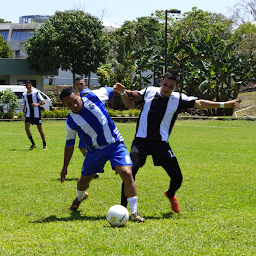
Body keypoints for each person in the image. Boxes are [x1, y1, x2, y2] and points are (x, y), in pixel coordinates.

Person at [113, 70, 239, 213]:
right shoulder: (149, 91)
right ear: (161, 81)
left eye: (170, 87)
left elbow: (200, 103)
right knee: (129, 172)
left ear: (176, 87)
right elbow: (130, 103)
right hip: (141, 141)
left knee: (177, 178)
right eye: (165, 84)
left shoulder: (178, 99)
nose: (166, 89)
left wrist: (224, 104)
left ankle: (171, 194)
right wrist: (123, 93)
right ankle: (122, 209)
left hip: (161, 144)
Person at [59, 86, 145, 222]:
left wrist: (127, 92)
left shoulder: (94, 97)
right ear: (65, 105)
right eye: (69, 104)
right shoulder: (71, 121)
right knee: (83, 182)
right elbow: (69, 145)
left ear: (79, 96)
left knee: (127, 173)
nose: (74, 105)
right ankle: (80, 197)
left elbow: (113, 89)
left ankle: (134, 212)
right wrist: (65, 167)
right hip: (94, 151)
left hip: (115, 144)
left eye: (75, 101)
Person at [23, 80, 47, 150]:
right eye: (27, 85)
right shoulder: (24, 94)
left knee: (40, 130)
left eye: (29, 84)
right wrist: (24, 108)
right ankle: (33, 144)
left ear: (32, 86)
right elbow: (25, 101)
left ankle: (44, 144)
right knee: (27, 129)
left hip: (36, 114)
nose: (28, 86)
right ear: (26, 86)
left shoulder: (36, 93)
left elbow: (43, 102)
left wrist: (37, 104)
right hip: (28, 114)